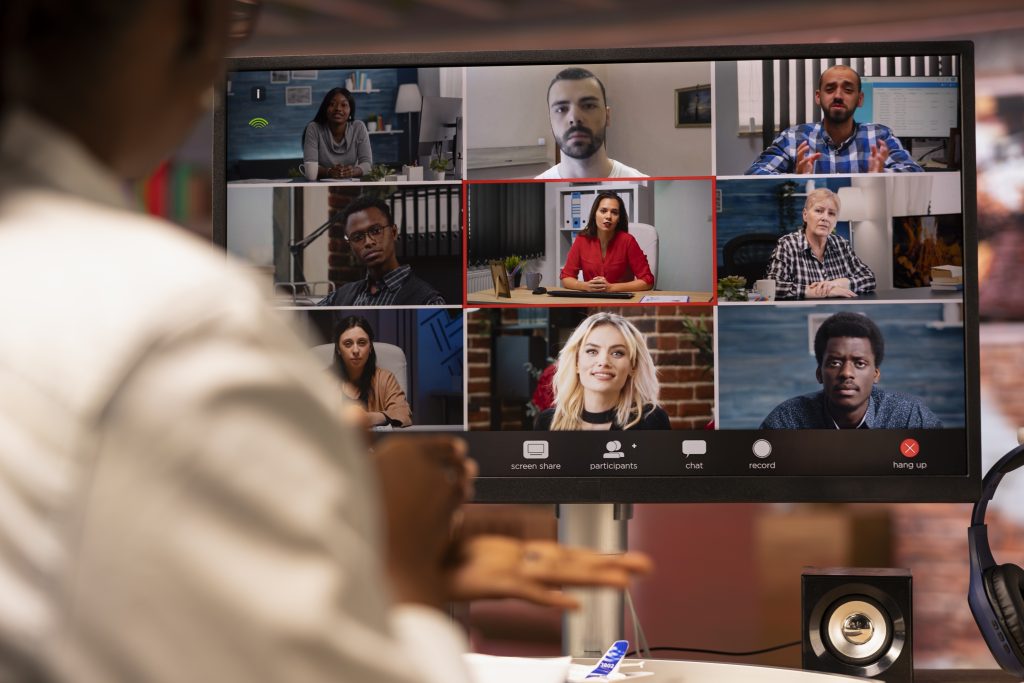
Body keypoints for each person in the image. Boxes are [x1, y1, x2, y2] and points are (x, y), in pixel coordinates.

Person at [0, 3, 651, 682]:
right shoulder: (180, 327)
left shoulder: (414, 304)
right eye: (234, 20)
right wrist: (400, 570)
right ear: (183, 24)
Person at [761, 312, 943, 429]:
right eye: (834, 363)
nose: (846, 373)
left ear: (875, 374)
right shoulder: (787, 420)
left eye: (860, 363)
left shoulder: (909, 417)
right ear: (819, 374)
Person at [746, 65, 924, 175]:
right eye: (830, 89)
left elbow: (915, 173)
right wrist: (795, 179)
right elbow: (755, 174)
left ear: (860, 99)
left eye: (847, 90)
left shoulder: (880, 136)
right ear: (818, 96)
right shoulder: (794, 138)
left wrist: (881, 175)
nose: (838, 96)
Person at [535, 312, 670, 430]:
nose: (604, 361)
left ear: (633, 367)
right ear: (576, 362)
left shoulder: (651, 420)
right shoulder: (547, 422)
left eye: (617, 353)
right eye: (592, 351)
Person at [318, 195, 446, 306]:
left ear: (394, 232)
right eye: (357, 237)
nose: (368, 242)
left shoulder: (428, 301)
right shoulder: (341, 296)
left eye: (376, 231)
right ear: (350, 245)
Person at [536, 67, 647, 179]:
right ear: (550, 120)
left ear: (607, 116)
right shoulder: (538, 185)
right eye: (561, 109)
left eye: (589, 106)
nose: (575, 117)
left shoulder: (642, 182)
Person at [764, 188, 876, 299]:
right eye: (819, 211)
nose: (825, 218)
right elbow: (771, 286)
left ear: (836, 221)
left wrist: (838, 283)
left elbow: (869, 278)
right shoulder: (788, 244)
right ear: (805, 215)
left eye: (831, 213)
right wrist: (819, 291)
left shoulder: (842, 245)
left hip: (839, 313)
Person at [560, 191, 655, 293]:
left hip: (621, 304)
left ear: (619, 218)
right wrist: (586, 286)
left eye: (614, 212)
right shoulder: (582, 240)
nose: (608, 216)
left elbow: (647, 281)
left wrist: (611, 288)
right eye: (603, 211)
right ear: (595, 214)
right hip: (591, 303)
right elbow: (566, 278)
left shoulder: (628, 241)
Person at [332, 316, 412, 427]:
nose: (355, 350)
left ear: (370, 347)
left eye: (362, 342)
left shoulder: (385, 378)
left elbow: (403, 413)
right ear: (338, 349)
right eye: (348, 344)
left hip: (376, 443)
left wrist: (368, 418)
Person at [303, 87, 372, 179]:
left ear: (350, 110)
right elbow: (310, 165)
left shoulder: (358, 127)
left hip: (351, 185)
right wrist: (329, 172)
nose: (338, 108)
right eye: (332, 104)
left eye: (344, 105)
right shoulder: (314, 128)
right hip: (321, 186)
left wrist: (352, 172)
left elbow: (367, 164)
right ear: (325, 108)